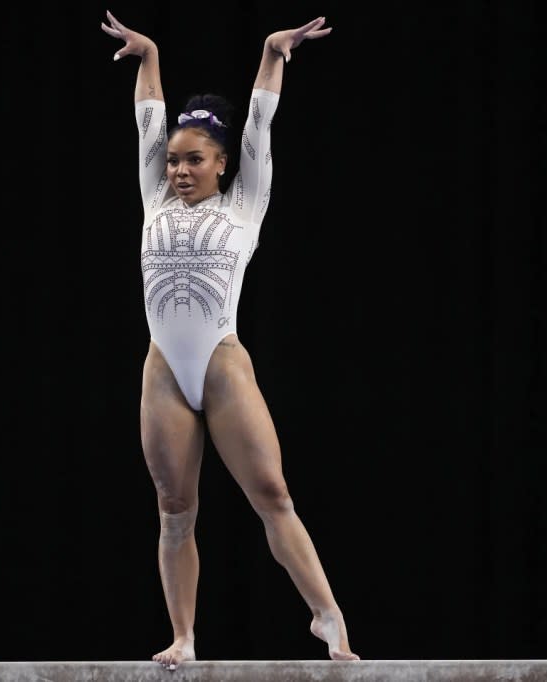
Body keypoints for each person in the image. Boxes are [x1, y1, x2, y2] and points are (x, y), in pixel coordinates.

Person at [100, 9, 359, 671]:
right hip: (163, 369)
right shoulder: (154, 198)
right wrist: (149, 54)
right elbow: (148, 120)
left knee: (271, 493)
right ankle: (183, 636)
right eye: (174, 160)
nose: (179, 169)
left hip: (219, 362)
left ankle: (327, 616)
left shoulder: (244, 206)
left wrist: (274, 54)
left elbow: (260, 127)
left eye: (194, 161)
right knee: (173, 506)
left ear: (221, 165)